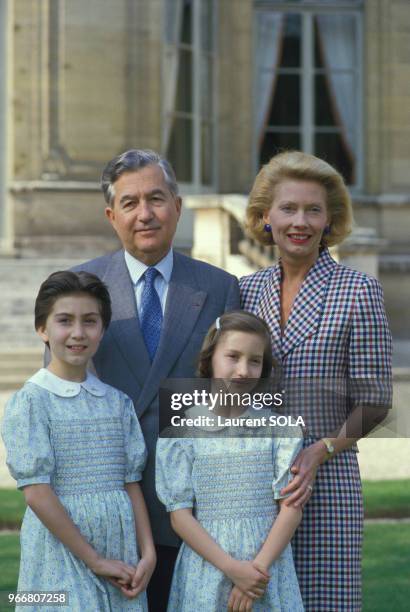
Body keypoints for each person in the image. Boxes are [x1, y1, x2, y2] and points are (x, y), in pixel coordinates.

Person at [71, 149, 240, 610]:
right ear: (111, 215)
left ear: (178, 207)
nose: (144, 214)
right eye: (129, 203)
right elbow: (65, 398)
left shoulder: (222, 288)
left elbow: (233, 402)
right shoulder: (78, 288)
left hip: (188, 511)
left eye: (156, 199)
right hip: (104, 508)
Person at [240, 150, 393, 611]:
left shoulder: (358, 289)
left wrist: (321, 448)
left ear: (330, 220)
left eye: (313, 210)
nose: (299, 221)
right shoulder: (245, 291)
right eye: (288, 209)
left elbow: (376, 401)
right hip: (252, 486)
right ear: (266, 217)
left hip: (326, 480)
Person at [2, 271, 156, 611]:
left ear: (102, 330)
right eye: (64, 321)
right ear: (42, 328)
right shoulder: (32, 402)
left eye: (89, 321)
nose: (77, 332)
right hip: (60, 552)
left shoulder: (118, 402)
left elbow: (130, 482)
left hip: (121, 553)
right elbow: (37, 493)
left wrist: (148, 552)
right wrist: (94, 559)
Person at [156, 311, 305, 611]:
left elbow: (290, 508)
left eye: (254, 360)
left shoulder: (279, 431)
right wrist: (232, 568)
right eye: (232, 356)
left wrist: (255, 574)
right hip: (208, 568)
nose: (243, 370)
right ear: (210, 358)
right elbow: (180, 515)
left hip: (267, 572)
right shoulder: (182, 432)